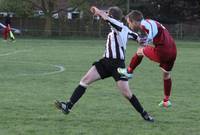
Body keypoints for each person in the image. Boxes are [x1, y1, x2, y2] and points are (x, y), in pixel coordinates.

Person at [55, 6, 154, 122]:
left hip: (118, 66)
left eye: (109, 13)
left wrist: (97, 11)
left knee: (127, 93)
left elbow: (106, 17)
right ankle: (68, 106)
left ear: (112, 16)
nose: (106, 15)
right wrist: (142, 40)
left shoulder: (119, 26)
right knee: (85, 80)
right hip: (105, 63)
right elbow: (137, 37)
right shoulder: (120, 29)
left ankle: (145, 114)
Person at [118, 10, 177, 108]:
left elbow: (151, 31)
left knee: (140, 51)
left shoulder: (144, 24)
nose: (129, 26)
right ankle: (166, 100)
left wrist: (147, 41)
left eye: (129, 23)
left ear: (135, 21)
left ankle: (129, 71)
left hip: (163, 52)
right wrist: (146, 40)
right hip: (173, 51)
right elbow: (155, 31)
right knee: (166, 74)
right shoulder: (149, 22)